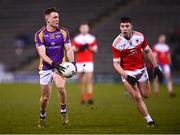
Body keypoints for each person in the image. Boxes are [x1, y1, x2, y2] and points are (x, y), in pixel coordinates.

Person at [112, 17, 162, 127]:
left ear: (131, 27)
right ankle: (150, 121)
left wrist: (156, 67)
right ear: (120, 28)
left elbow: (148, 51)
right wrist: (126, 76)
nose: (124, 28)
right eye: (122, 26)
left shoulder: (139, 36)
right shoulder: (117, 43)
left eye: (127, 26)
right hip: (127, 72)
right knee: (137, 97)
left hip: (141, 70)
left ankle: (138, 86)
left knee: (146, 95)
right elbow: (115, 64)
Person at [34, 7, 75, 128]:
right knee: (45, 98)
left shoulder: (63, 31)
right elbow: (42, 54)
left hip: (60, 66)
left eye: (58, 17)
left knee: (61, 87)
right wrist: (53, 64)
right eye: (55, 17)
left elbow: (69, 48)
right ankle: (42, 116)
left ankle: (63, 112)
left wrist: (72, 63)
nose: (57, 19)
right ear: (47, 19)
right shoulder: (39, 34)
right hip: (46, 68)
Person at [72, 22, 98, 104]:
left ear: (88, 29)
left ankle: (89, 98)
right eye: (82, 28)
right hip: (79, 61)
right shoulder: (77, 39)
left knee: (89, 79)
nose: (84, 29)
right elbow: (73, 49)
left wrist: (89, 47)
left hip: (88, 61)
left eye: (85, 28)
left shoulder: (92, 38)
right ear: (80, 29)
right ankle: (83, 98)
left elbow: (95, 50)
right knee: (81, 81)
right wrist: (80, 48)